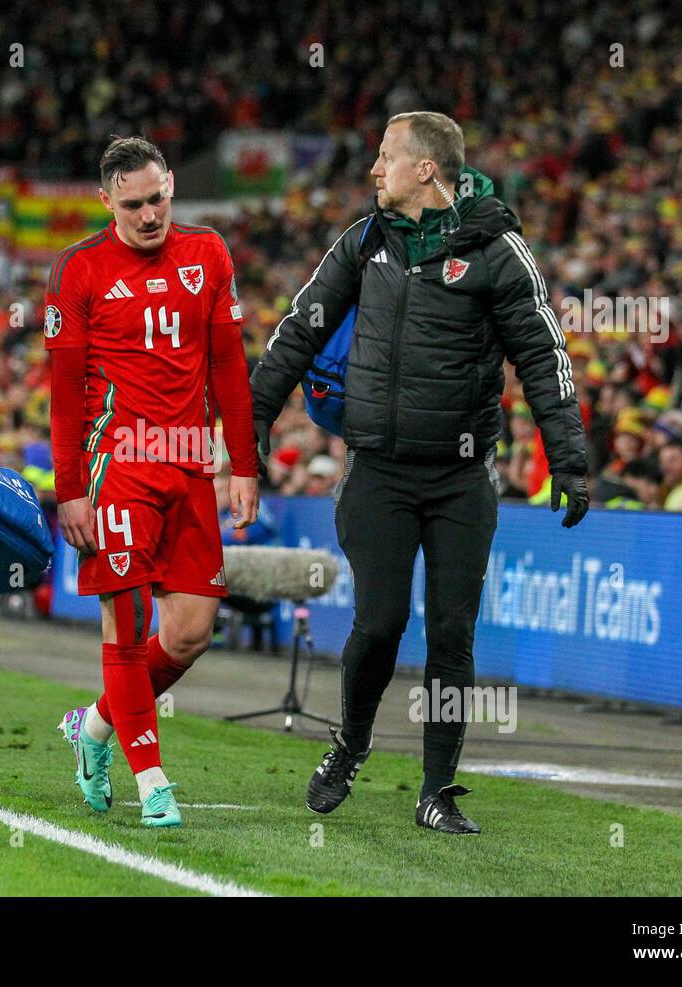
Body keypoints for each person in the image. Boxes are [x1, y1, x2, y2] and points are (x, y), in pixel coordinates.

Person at [250, 111, 589, 834]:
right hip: (377, 470)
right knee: (378, 623)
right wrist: (252, 421)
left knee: (452, 634)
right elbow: (299, 330)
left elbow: (543, 355)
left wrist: (569, 456)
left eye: (384, 157)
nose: (373, 170)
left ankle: (436, 788)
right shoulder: (365, 239)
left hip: (463, 477)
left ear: (426, 170)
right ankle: (353, 740)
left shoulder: (500, 249)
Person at [47, 136, 259, 828]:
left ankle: (98, 727)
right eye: (133, 204)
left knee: (193, 631)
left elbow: (229, 366)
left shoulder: (208, 254)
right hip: (117, 467)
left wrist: (245, 465)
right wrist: (71, 488)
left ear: (171, 183)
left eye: (158, 198)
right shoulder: (77, 270)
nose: (148, 215)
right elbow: (63, 392)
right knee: (129, 623)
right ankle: (153, 781)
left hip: (191, 463)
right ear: (106, 200)